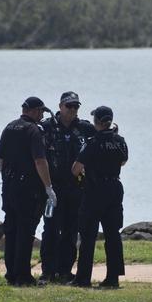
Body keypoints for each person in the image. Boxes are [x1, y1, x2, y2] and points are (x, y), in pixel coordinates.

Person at [0, 96, 57, 286]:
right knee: (26, 231)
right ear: (33, 111)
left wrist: (6, 179)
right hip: (28, 189)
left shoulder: (9, 127)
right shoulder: (34, 130)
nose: (41, 116)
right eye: (40, 111)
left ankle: (11, 273)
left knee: (11, 230)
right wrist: (48, 187)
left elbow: (0, 159)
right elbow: (40, 161)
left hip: (9, 186)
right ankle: (23, 275)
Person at [39, 91, 96, 284]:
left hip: (76, 189)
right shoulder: (46, 127)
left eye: (76, 107)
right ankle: (48, 271)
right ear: (60, 106)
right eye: (69, 106)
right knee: (51, 230)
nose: (72, 110)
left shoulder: (84, 128)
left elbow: (102, 138)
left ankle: (65, 270)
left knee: (72, 231)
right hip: (53, 189)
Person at [70, 106, 128, 288]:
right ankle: (113, 278)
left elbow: (76, 169)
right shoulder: (120, 141)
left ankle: (83, 278)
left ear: (96, 122)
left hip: (95, 190)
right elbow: (123, 161)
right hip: (114, 188)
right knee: (113, 235)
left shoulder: (92, 142)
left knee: (88, 235)